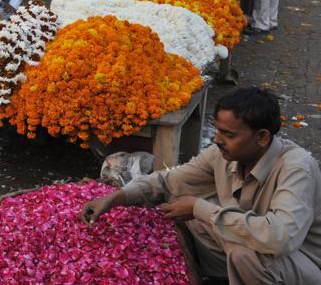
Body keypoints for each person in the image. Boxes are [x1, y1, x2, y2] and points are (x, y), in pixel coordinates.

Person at [81, 87, 321, 284]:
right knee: (189, 216)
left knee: (242, 251)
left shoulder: (297, 168)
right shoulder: (221, 155)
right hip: (255, 248)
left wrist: (200, 208)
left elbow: (279, 238)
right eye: (217, 131)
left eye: (228, 134)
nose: (217, 140)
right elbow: (170, 181)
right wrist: (118, 197)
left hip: (299, 263)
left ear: (262, 137)